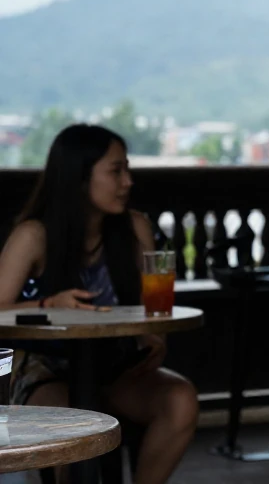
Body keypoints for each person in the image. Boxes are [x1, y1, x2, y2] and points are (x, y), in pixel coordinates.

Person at [0, 124, 199, 484]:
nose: (127, 182)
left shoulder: (134, 226)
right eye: (115, 171)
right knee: (69, 431)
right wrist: (49, 302)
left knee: (179, 399)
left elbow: (149, 301)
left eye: (128, 169)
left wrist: (155, 340)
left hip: (116, 364)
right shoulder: (34, 234)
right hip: (48, 369)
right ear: (79, 177)